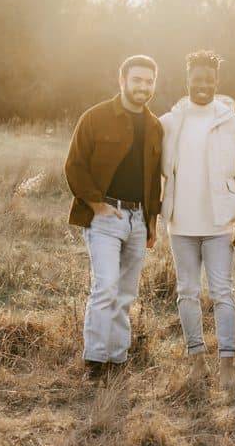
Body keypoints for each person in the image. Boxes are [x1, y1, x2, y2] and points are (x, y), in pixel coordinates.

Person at [159, 51, 235, 394]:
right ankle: (196, 362)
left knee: (222, 294)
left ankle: (227, 366)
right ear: (187, 80)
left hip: (220, 226)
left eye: (209, 79)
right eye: (196, 79)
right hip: (181, 226)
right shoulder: (170, 122)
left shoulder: (233, 123)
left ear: (217, 82)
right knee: (186, 292)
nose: (202, 85)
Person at [64, 55, 163, 382]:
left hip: (138, 219)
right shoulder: (95, 118)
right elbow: (74, 165)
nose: (143, 87)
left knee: (125, 294)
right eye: (137, 80)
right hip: (105, 216)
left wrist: (152, 221)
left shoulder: (154, 127)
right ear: (122, 81)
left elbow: (152, 181)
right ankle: (94, 362)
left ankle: (118, 359)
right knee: (105, 287)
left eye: (149, 82)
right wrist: (96, 205)